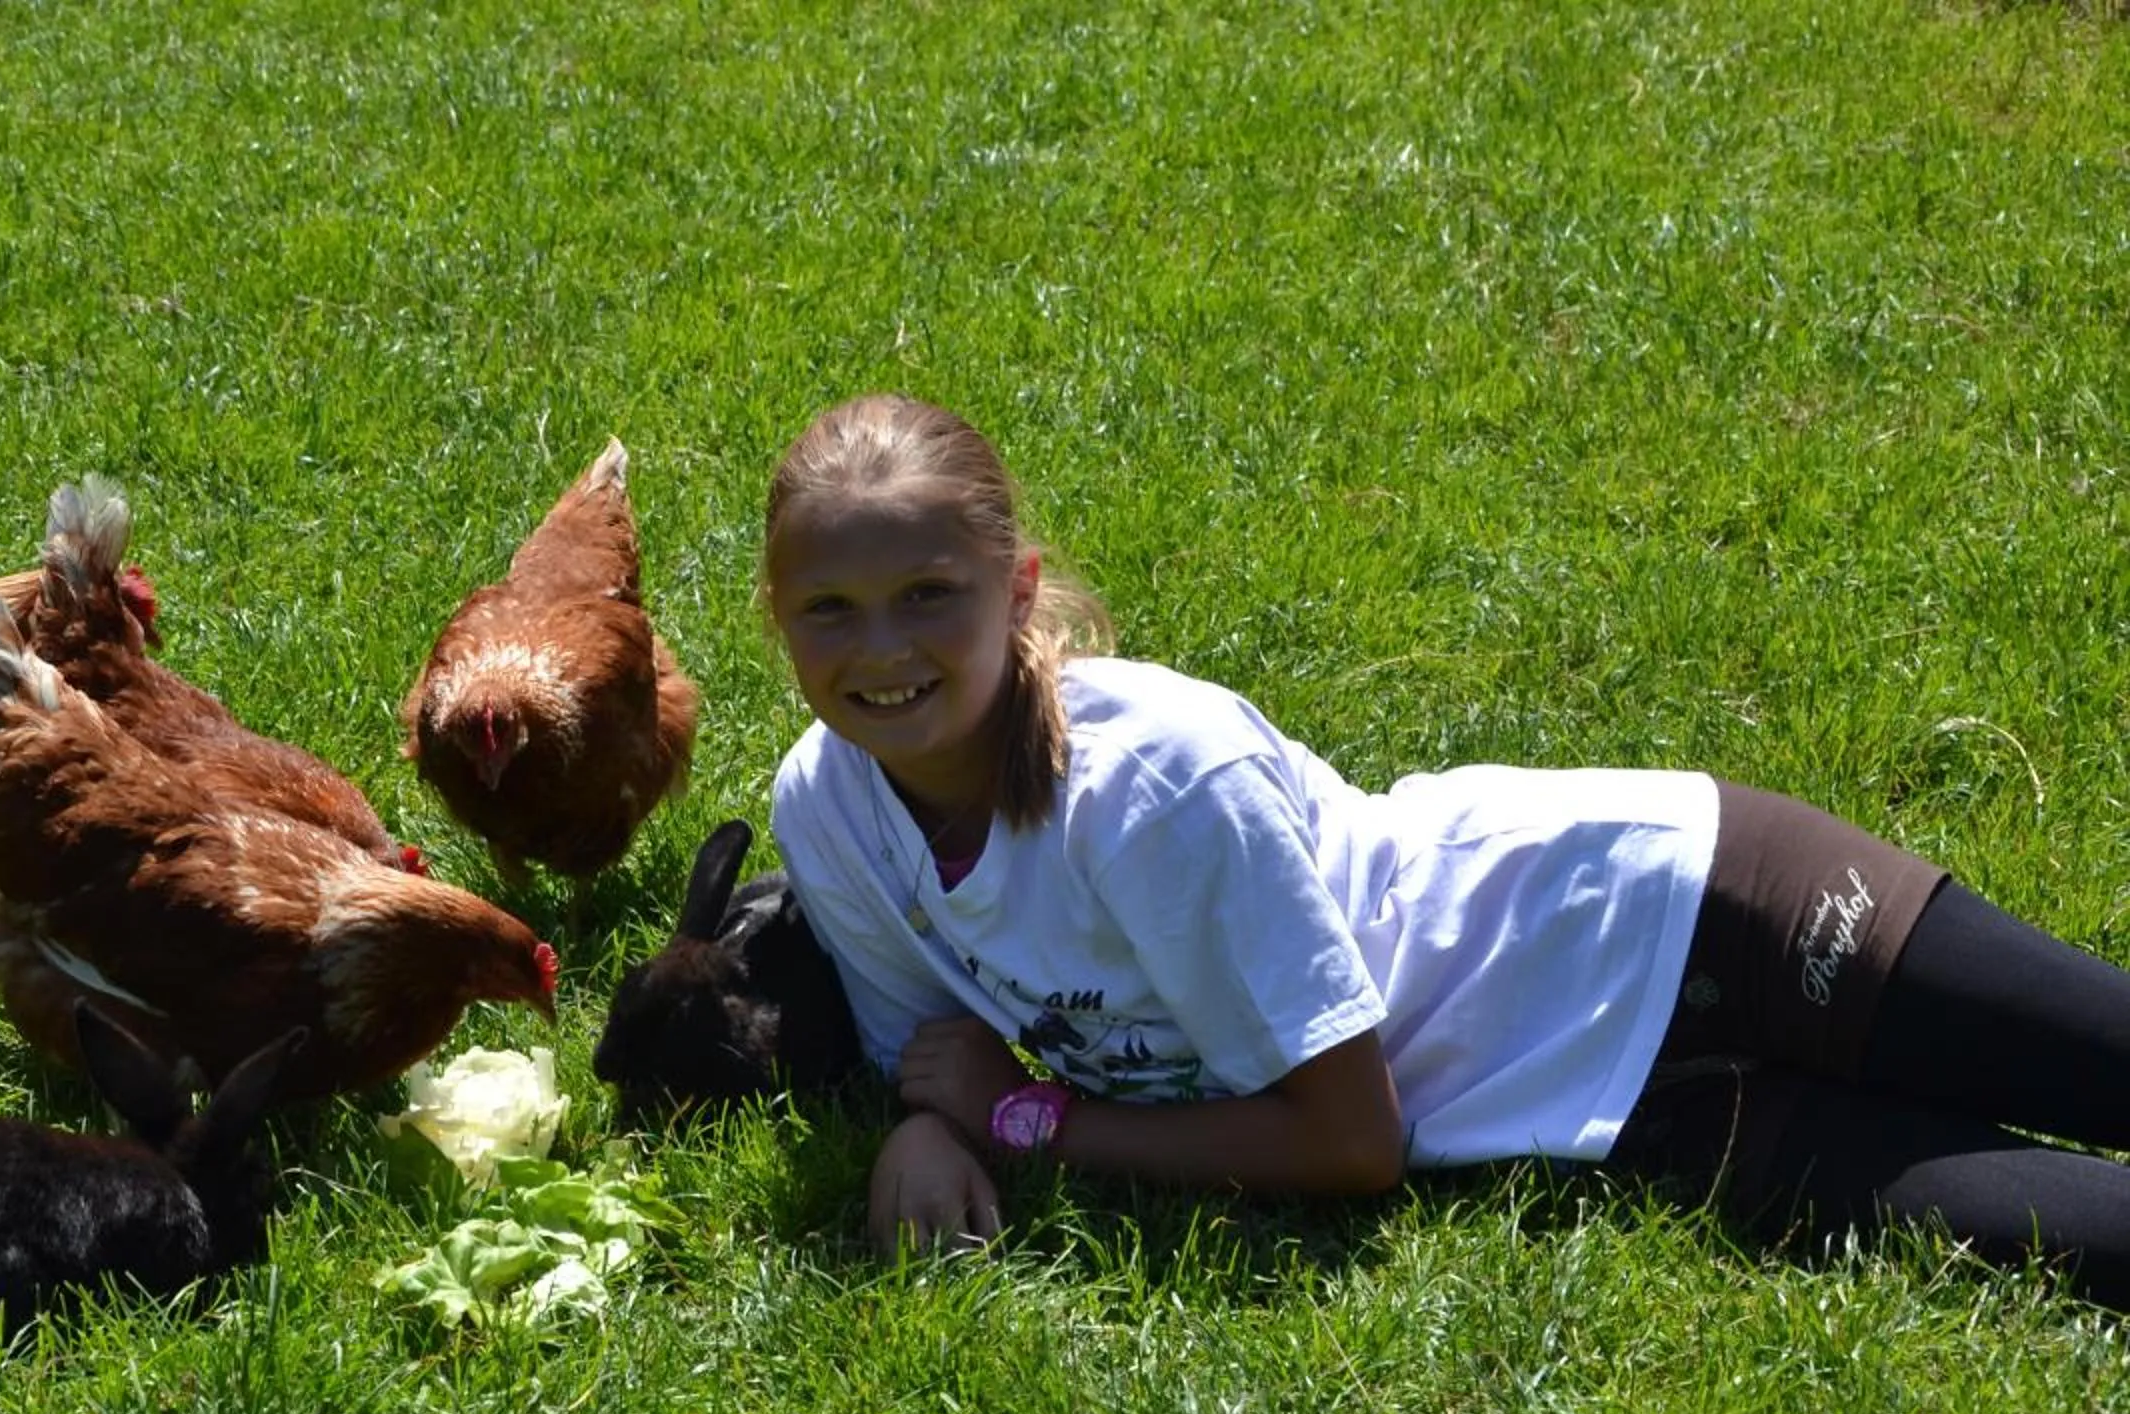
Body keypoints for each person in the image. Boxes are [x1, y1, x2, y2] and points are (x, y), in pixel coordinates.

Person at [764, 392, 2130, 1306]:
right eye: (831, 609)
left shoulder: (1155, 787)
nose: (881, 651)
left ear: (1013, 591)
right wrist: (929, 1126)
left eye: (926, 597)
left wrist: (1035, 1127)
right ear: (778, 624)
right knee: (2078, 1244)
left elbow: (1353, 1140)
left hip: (1692, 915)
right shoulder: (826, 809)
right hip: (1621, 1111)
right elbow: (938, 1040)